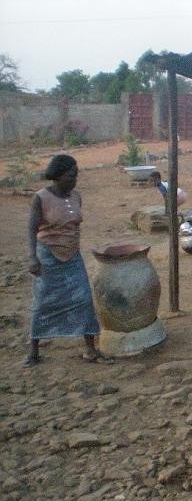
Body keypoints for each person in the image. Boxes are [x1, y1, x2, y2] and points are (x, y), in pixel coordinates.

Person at [25, 154, 111, 366]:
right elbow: (32, 228)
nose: (75, 179)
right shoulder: (41, 198)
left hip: (72, 255)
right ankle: (34, 352)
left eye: (76, 175)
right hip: (48, 256)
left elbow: (75, 225)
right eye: (71, 175)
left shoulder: (76, 196)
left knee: (83, 300)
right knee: (43, 303)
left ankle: (91, 350)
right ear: (58, 176)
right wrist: (32, 257)